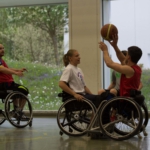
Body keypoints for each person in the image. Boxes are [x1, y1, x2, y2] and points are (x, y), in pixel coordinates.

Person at [0, 44, 29, 116]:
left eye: (3, 48)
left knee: (16, 89)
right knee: (24, 90)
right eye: (0, 49)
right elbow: (2, 69)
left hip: (7, 85)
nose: (3, 50)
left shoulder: (1, 60)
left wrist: (18, 70)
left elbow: (7, 69)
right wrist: (16, 73)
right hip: (4, 86)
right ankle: (19, 111)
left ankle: (16, 110)